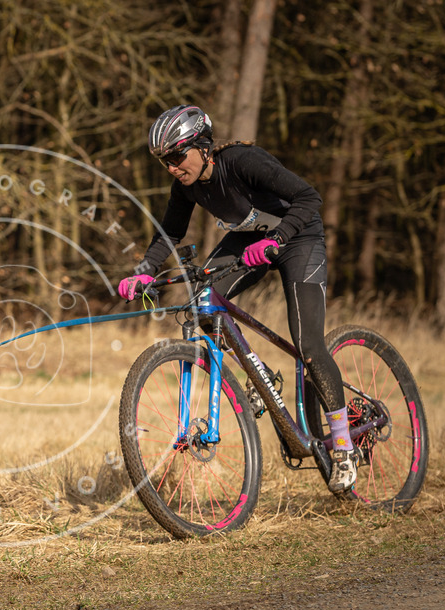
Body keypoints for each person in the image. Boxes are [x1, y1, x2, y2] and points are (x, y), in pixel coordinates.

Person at [118, 104, 358, 492]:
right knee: (203, 303)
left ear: (203, 147)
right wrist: (144, 270)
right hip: (250, 240)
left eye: (177, 157)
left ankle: (344, 447)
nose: (172, 168)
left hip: (298, 238)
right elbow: (170, 232)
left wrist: (277, 239)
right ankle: (261, 375)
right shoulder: (186, 185)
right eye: (165, 161)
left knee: (309, 345)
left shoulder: (243, 161)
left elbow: (309, 197)